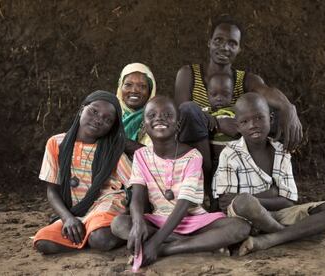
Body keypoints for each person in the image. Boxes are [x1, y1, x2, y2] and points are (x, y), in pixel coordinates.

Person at [175, 15, 303, 205]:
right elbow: (182, 116)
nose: (224, 47)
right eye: (218, 40)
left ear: (239, 49)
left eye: (232, 43)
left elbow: (266, 92)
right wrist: (217, 123)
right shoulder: (188, 73)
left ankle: (276, 186)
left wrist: (289, 108)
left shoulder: (246, 79)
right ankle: (208, 186)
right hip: (199, 144)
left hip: (236, 145)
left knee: (271, 116)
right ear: (209, 43)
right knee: (189, 109)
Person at [111, 96, 250, 269]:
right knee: (119, 224)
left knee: (240, 227)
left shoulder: (193, 156)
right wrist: (138, 224)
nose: (159, 118)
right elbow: (137, 196)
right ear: (145, 126)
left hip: (194, 221)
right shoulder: (141, 156)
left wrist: (155, 244)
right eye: (152, 115)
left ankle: (167, 249)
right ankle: (198, 245)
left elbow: (184, 204)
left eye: (167, 115)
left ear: (177, 125)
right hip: (158, 219)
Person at [212, 93, 325, 255]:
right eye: (245, 121)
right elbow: (228, 203)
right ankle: (290, 235)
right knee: (245, 202)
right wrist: (272, 194)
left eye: (259, 118)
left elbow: (289, 202)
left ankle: (269, 239)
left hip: (279, 215)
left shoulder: (281, 151)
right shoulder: (230, 153)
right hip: (245, 219)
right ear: (237, 126)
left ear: (271, 118)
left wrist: (255, 198)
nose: (253, 125)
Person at [33, 90, 132, 254]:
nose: (99, 120)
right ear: (81, 110)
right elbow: (52, 190)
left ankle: (94, 235)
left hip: (105, 204)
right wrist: (67, 218)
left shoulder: (113, 152)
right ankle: (87, 234)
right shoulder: (57, 143)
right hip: (75, 211)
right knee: (43, 242)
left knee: (100, 238)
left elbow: (135, 185)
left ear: (112, 128)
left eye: (108, 120)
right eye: (94, 111)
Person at [116, 63, 156, 158]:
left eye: (142, 86)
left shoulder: (158, 118)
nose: (134, 90)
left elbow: (158, 157)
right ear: (120, 87)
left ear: (150, 91)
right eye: (128, 85)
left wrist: (117, 141)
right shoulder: (108, 113)